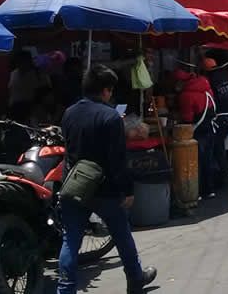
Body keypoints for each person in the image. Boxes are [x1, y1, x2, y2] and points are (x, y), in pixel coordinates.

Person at [57, 65, 157, 294]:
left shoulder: (69, 113)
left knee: (70, 240)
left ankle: (65, 289)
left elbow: (70, 150)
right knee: (122, 233)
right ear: (106, 91)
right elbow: (117, 161)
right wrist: (128, 190)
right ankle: (135, 279)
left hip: (74, 184)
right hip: (106, 189)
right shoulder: (110, 117)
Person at [176, 69, 217, 199]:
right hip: (210, 128)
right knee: (208, 160)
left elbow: (187, 118)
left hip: (197, 132)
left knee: (194, 162)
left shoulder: (186, 95)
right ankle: (209, 189)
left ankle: (196, 191)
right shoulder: (207, 89)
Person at [202, 57, 228, 190]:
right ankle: (223, 175)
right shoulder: (225, 76)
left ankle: (219, 178)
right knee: (219, 147)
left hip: (219, 117)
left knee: (216, 148)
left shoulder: (209, 80)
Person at [8, 50, 39, 123]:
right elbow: (10, 90)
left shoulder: (35, 75)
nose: (20, 64)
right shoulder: (14, 73)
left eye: (23, 61)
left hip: (28, 108)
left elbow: (38, 93)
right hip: (13, 108)